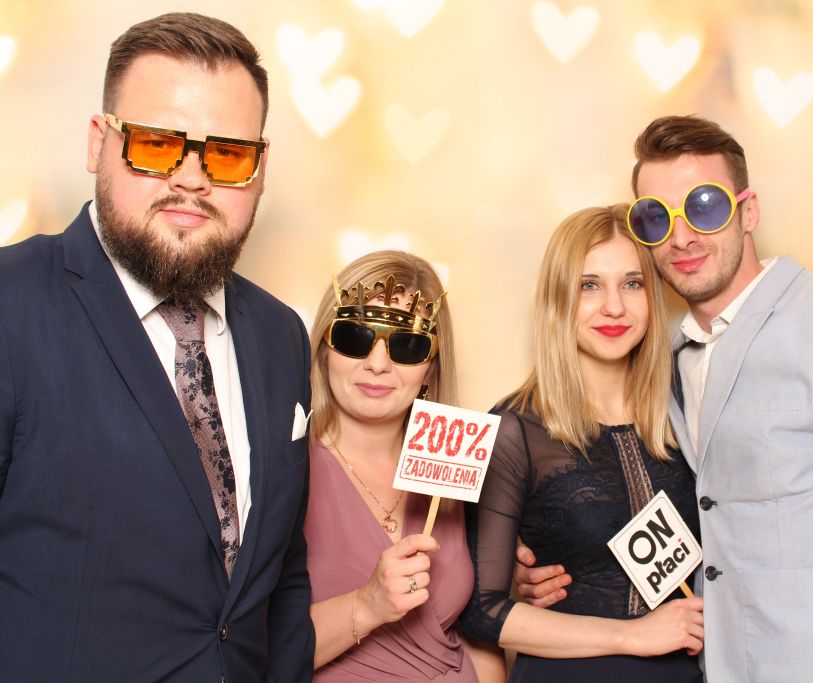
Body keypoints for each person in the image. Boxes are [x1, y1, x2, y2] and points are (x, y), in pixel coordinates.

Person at [519, 115, 813, 682]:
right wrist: (544, 557)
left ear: (749, 211)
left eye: (705, 207)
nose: (682, 237)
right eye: (657, 218)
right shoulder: (660, 363)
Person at [0, 13, 313, 681]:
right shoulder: (11, 305)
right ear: (99, 143)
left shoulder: (281, 334)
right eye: (157, 144)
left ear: (259, 170)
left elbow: (282, 581)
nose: (192, 179)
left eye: (227, 154)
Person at [461, 205, 705, 682]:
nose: (614, 307)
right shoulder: (514, 430)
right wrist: (631, 636)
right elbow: (480, 610)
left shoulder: (689, 409)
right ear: (558, 299)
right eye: (589, 285)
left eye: (632, 283)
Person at [304, 251, 500, 682]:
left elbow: (476, 634)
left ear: (431, 368)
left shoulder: (453, 465)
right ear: (324, 350)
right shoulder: (284, 470)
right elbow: (247, 646)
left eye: (407, 345)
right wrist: (367, 605)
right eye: (355, 337)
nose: (377, 364)